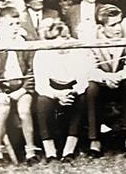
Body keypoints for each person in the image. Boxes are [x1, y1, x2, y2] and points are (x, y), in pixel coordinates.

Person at [0, 6, 38, 166]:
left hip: (23, 88)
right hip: (3, 90)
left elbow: (32, 72)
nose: (14, 29)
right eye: (10, 25)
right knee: (3, 108)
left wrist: (22, 91)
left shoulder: (25, 45)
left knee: (24, 111)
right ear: (0, 25)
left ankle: (30, 151)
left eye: (17, 24)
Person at [85, 5, 126, 156]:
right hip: (102, 82)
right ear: (101, 27)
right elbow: (89, 69)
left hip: (121, 81)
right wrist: (106, 78)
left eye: (119, 22)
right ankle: (94, 140)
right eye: (113, 25)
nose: (118, 28)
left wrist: (120, 76)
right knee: (91, 89)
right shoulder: (91, 40)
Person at [33, 19, 91, 161]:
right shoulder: (42, 53)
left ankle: (68, 151)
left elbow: (83, 79)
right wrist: (57, 95)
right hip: (53, 90)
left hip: (73, 89)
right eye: (59, 39)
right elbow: (40, 85)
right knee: (42, 102)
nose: (64, 44)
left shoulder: (78, 51)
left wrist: (73, 92)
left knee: (83, 99)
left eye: (66, 38)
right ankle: (50, 151)